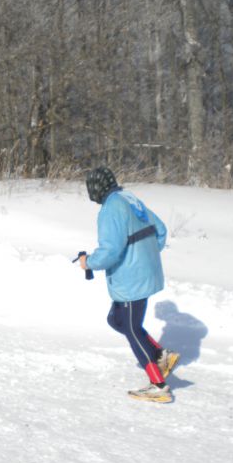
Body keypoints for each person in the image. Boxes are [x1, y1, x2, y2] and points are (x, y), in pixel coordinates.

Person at [77, 167, 179, 403]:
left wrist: (88, 263)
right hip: (143, 273)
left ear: (96, 188)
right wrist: (147, 256)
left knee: (131, 328)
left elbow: (110, 252)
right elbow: (160, 231)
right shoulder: (128, 198)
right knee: (117, 320)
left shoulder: (110, 209)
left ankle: (158, 384)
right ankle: (161, 355)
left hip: (131, 278)